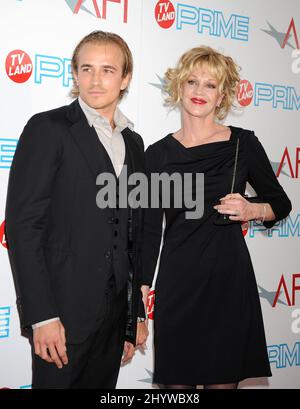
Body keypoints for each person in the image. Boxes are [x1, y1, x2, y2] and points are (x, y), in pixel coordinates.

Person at [140, 46, 292, 389]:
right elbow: (149, 234)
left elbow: (281, 204)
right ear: (179, 86)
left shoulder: (243, 144)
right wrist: (138, 307)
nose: (199, 91)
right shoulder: (157, 155)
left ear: (222, 94)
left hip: (228, 282)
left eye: (210, 85)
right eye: (192, 81)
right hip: (178, 284)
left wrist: (251, 209)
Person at [5, 31, 148, 389]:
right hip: (61, 316)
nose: (95, 80)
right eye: (86, 69)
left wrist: (132, 319)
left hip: (113, 320)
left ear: (125, 78)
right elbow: (23, 227)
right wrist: (42, 317)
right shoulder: (48, 128)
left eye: (107, 70)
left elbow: (132, 235)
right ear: (75, 74)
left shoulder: (134, 142)